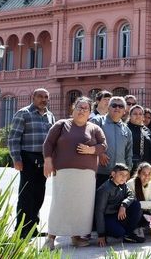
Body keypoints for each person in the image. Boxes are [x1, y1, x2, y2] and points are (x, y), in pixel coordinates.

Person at [42, 96, 106, 250]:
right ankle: (51, 237)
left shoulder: (94, 128)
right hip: (64, 172)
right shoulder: (61, 125)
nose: (82, 110)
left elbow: (103, 145)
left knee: (81, 206)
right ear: (73, 108)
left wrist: (92, 150)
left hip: (87, 175)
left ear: (90, 112)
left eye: (86, 108)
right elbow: (48, 143)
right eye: (80, 107)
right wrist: (48, 161)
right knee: (60, 204)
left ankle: (76, 237)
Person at [8, 88, 55, 238]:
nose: (43, 99)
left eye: (46, 97)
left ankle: (33, 229)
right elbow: (13, 138)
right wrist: (16, 159)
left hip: (44, 160)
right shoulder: (23, 113)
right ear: (33, 97)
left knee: (39, 194)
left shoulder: (50, 116)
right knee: (26, 195)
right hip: (27, 159)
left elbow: (52, 141)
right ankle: (21, 230)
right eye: (40, 96)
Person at [95, 163, 144, 246]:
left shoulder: (123, 184)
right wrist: (101, 234)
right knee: (119, 232)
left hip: (118, 214)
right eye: (121, 174)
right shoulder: (105, 189)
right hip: (107, 217)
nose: (124, 178)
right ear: (113, 174)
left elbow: (131, 195)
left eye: (126, 175)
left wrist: (123, 205)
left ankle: (129, 234)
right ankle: (110, 232)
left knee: (136, 205)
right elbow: (99, 212)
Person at [93, 96, 133, 188]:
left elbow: (129, 153)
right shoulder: (97, 121)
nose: (117, 108)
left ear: (124, 110)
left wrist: (128, 171)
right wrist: (100, 153)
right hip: (99, 173)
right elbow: (88, 140)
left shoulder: (127, 130)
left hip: (119, 176)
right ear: (108, 107)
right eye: (114, 105)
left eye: (121, 106)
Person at [127, 162, 151, 240]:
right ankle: (133, 230)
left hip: (145, 210)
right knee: (138, 209)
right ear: (138, 173)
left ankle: (145, 228)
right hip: (132, 212)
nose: (147, 176)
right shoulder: (130, 184)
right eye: (144, 174)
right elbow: (134, 203)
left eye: (149, 174)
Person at [127, 105, 151, 173]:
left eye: (140, 114)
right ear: (130, 116)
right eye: (135, 114)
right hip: (129, 167)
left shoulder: (146, 130)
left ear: (143, 117)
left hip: (145, 168)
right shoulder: (125, 128)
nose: (138, 116)